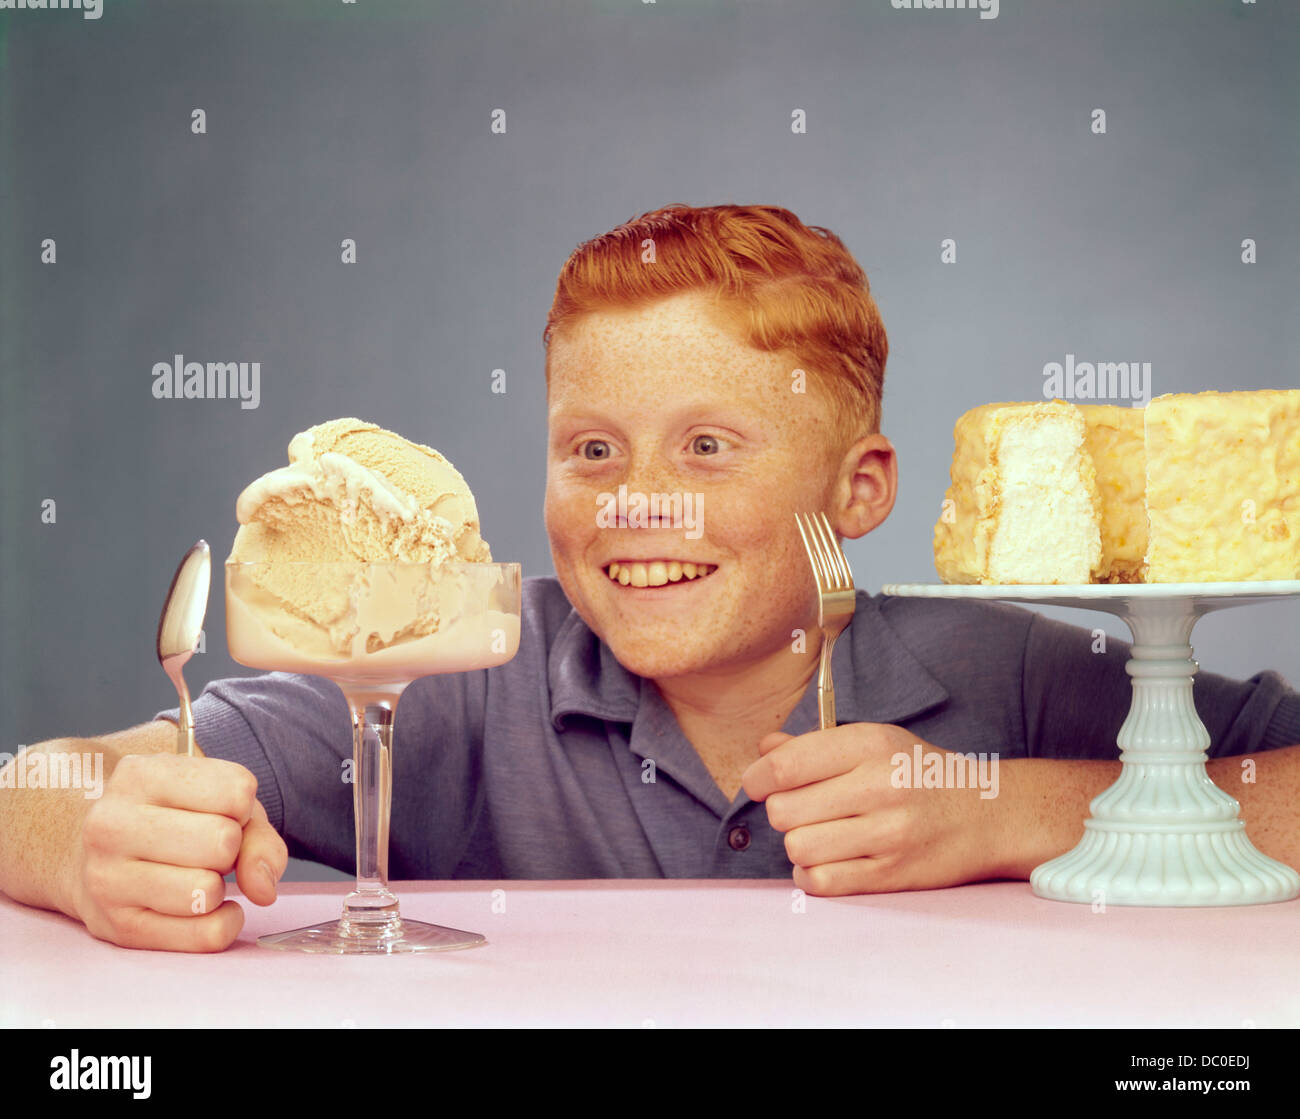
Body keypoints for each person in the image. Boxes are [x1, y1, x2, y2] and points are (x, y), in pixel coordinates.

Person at [3, 203, 1298, 953]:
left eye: (709, 446)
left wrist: (1012, 814)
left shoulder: (999, 672)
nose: (638, 503)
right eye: (592, 450)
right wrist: (88, 849)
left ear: (859, 491)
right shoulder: (471, 674)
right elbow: (35, 780)